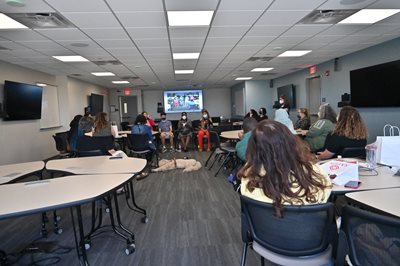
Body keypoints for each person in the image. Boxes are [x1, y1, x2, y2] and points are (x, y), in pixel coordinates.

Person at [238, 120, 332, 217]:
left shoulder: (248, 175)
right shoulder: (314, 171)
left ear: (253, 148)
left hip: (264, 230)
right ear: (292, 142)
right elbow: (325, 191)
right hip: (310, 229)